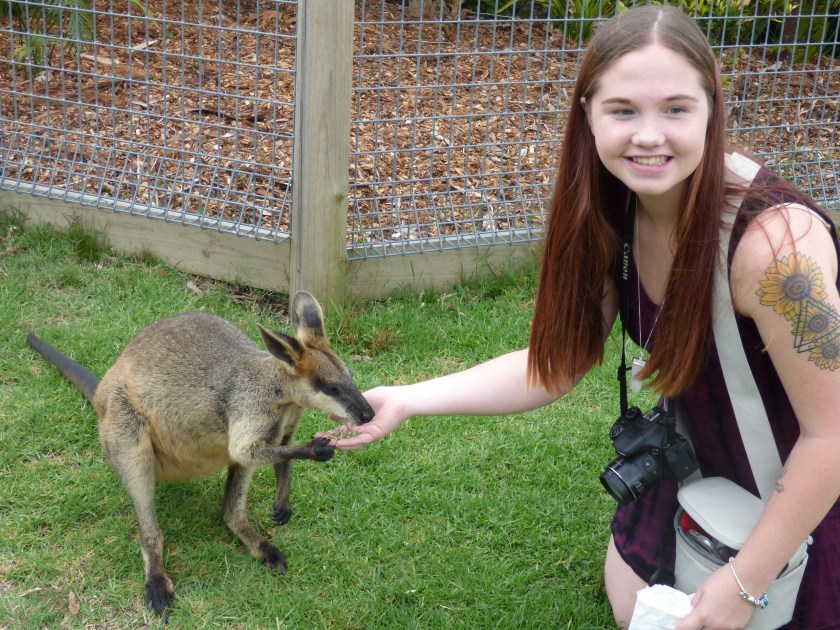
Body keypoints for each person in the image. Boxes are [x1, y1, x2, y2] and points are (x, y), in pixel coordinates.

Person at [321, 5, 840, 629]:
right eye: (623, 111)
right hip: (701, 458)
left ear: (712, 109)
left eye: (676, 109)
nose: (648, 136)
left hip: (810, 478)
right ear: (587, 113)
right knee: (632, 607)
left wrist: (744, 581)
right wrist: (409, 399)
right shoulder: (614, 206)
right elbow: (560, 364)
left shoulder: (776, 250)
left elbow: (833, 434)